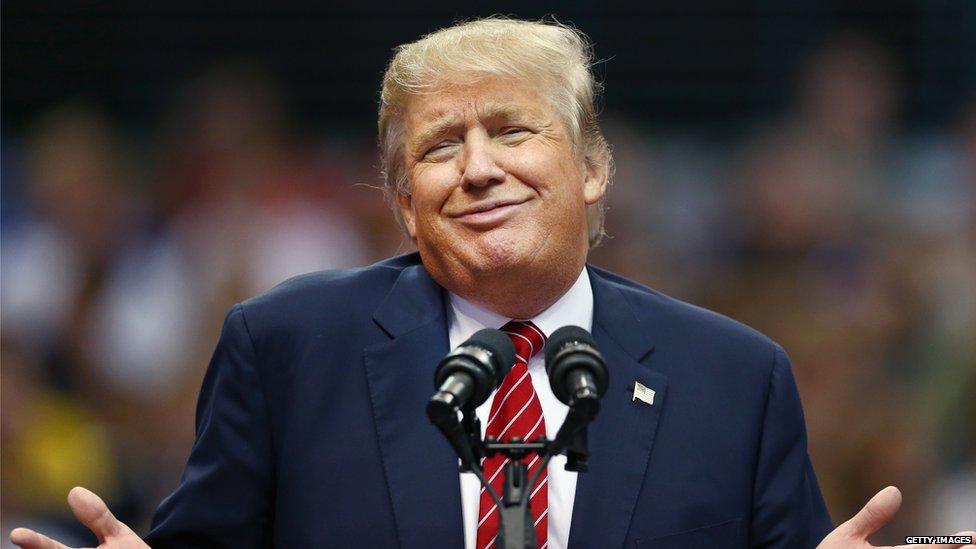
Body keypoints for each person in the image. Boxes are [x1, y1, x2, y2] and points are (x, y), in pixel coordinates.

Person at [10, 17, 975, 549]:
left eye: (513, 131)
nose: (477, 168)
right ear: (401, 199)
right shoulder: (287, 347)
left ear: (593, 167)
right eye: (439, 147)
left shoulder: (733, 374)